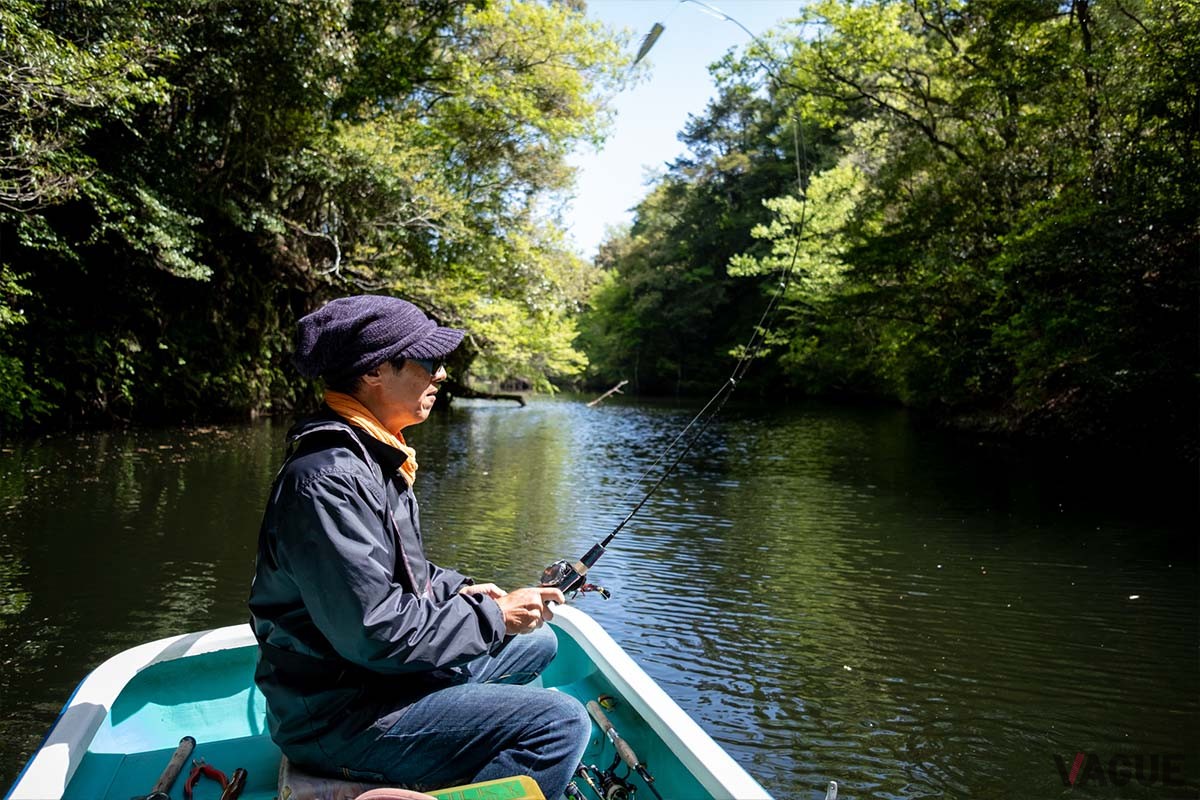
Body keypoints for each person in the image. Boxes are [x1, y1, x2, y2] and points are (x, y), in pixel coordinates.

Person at [248, 295, 590, 798]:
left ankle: (459, 751)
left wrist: (470, 593)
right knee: (562, 724)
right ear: (373, 373)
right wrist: (492, 619)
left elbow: (402, 571)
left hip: (375, 682)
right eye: (427, 361)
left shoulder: (373, 455)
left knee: (540, 642)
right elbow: (374, 632)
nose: (442, 375)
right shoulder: (328, 479)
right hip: (340, 716)